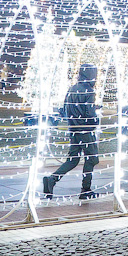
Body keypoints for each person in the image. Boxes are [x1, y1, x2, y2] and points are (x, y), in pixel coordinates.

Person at [43, 64, 100, 199]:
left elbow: (65, 109)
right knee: (92, 159)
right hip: (85, 131)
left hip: (74, 131)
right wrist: (95, 119)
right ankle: (85, 190)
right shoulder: (89, 91)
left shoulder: (72, 89)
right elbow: (89, 114)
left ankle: (52, 180)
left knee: (72, 160)